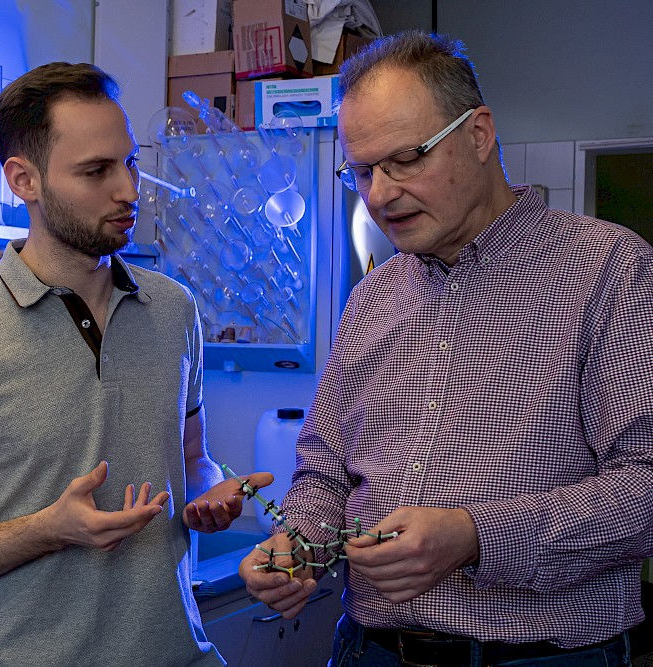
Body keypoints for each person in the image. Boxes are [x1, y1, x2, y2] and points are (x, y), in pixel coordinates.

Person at [239, 30, 653, 666]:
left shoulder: (606, 270)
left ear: (479, 135)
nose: (379, 195)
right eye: (362, 171)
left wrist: (476, 536)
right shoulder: (372, 297)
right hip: (368, 651)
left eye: (406, 160)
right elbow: (325, 474)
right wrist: (299, 548)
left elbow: (645, 489)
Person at [0, 62, 271, 666]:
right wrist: (50, 529)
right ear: (23, 180)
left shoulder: (173, 310)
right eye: (96, 171)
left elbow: (191, 458)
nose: (129, 190)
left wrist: (208, 496)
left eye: (130, 164)